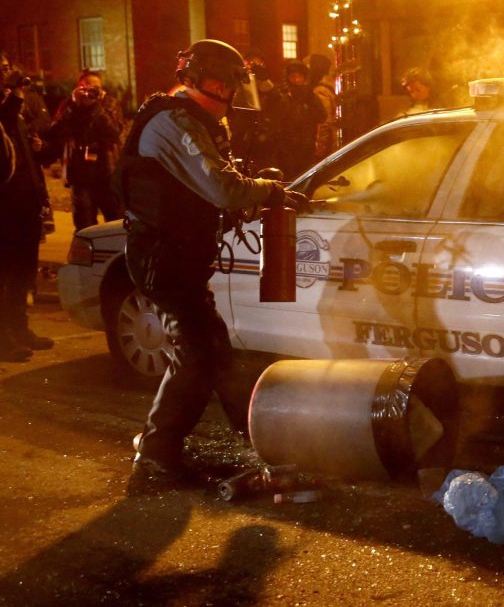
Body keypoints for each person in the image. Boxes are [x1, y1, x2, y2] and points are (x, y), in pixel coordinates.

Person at [116, 39, 308, 493]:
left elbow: (204, 190)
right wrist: (266, 190)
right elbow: (221, 188)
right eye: (233, 84)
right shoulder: (175, 122)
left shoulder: (191, 120)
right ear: (215, 82)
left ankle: (258, 439)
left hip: (177, 256)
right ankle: (156, 459)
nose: (236, 95)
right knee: (197, 355)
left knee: (215, 350)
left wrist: (254, 191)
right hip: (164, 259)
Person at [0, 59, 54, 362]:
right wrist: (14, 97)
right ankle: (4, 338)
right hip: (4, 207)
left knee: (22, 274)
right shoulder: (7, 107)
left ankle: (20, 329)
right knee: (5, 276)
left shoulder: (13, 106)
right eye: (3, 66)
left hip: (25, 204)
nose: (7, 70)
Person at [47, 70, 126, 231]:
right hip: (80, 175)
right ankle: (86, 256)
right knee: (84, 226)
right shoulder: (69, 105)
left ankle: (117, 256)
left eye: (95, 87)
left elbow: (113, 132)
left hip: (108, 174)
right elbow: (54, 131)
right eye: (86, 86)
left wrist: (95, 106)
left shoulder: (110, 103)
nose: (91, 90)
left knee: (116, 223)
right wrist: (74, 106)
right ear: (78, 87)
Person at [262, 59, 326, 180]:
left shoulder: (311, 97)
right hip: (285, 150)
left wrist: (309, 101)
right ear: (288, 78)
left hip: (306, 148)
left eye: (299, 77)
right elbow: (273, 116)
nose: (296, 80)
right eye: (293, 76)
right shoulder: (281, 96)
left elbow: (322, 116)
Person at [306, 52, 337, 159]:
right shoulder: (327, 86)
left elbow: (324, 123)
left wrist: (319, 150)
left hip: (324, 147)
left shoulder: (320, 91)